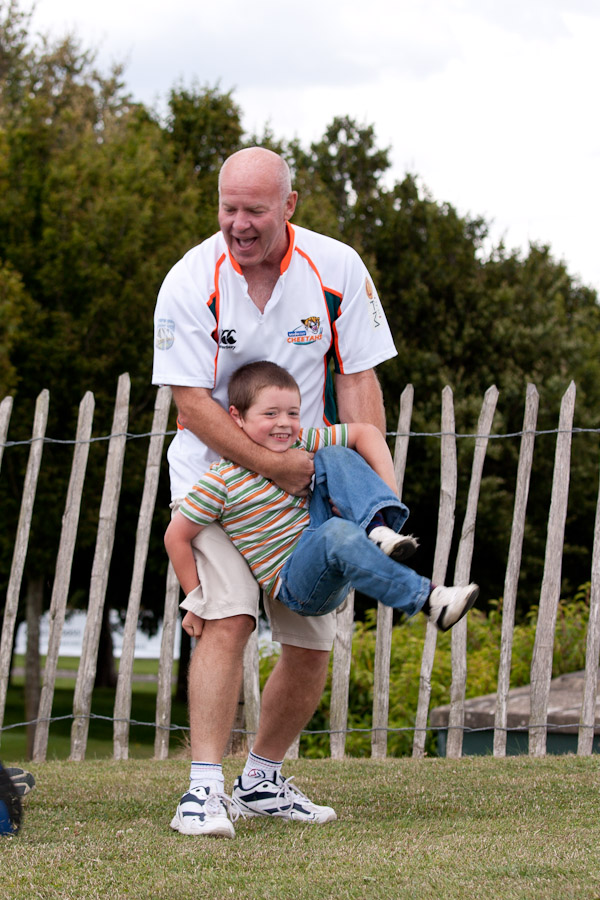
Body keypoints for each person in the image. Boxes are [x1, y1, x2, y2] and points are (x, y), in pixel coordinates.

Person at [153, 146, 407, 838]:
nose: (238, 223)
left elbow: (357, 380)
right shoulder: (188, 279)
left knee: (310, 640)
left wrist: (360, 493)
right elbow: (191, 405)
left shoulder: (338, 268)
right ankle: (203, 792)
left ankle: (261, 779)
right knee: (228, 616)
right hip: (213, 487)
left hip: (304, 492)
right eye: (227, 208)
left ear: (288, 206)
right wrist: (273, 465)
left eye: (254, 210)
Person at [165, 359, 478, 628]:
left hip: (322, 533)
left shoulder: (300, 442)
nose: (284, 424)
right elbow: (175, 537)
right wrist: (195, 601)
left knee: (335, 454)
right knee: (336, 533)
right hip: (296, 580)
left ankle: (377, 528)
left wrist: (385, 500)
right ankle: (431, 601)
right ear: (237, 416)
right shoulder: (221, 481)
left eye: (293, 413)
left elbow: (366, 433)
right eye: (270, 414)